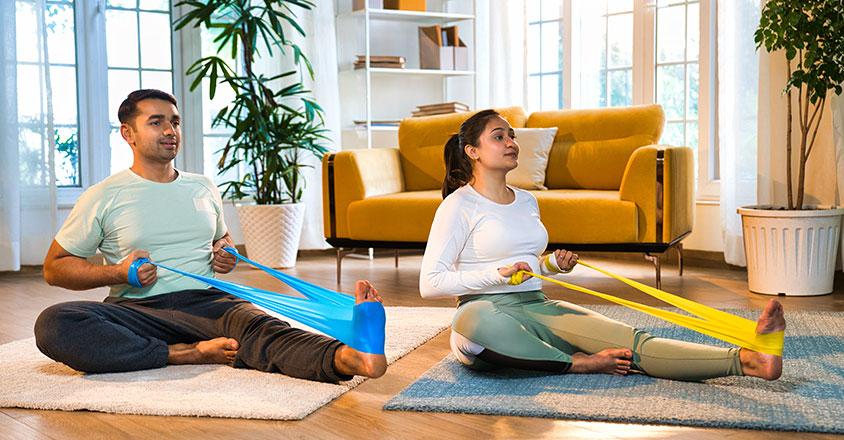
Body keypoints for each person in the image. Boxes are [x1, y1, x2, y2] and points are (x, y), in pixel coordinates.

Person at [35, 89, 386, 382]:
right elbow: (55, 268)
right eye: (155, 122)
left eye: (174, 121)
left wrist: (226, 254)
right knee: (55, 323)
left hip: (210, 303)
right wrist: (116, 272)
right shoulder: (104, 195)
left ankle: (351, 359)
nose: (170, 130)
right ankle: (181, 354)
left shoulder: (202, 186)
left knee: (263, 330)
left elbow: (224, 241)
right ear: (129, 134)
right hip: (138, 311)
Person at [419, 109, 784, 381]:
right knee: (473, 319)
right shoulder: (458, 205)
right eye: (499, 137)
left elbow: (529, 265)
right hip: (485, 320)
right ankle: (579, 363)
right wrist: (496, 275)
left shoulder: (527, 201)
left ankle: (749, 361)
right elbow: (430, 283)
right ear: (472, 152)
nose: (512, 143)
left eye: (512, 135)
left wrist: (551, 266)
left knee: (632, 341)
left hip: (537, 305)